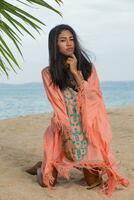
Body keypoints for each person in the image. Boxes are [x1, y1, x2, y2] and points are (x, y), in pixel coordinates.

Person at [26, 24, 130, 197]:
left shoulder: (88, 68)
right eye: (63, 40)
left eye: (71, 39)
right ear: (54, 45)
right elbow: (58, 108)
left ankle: (60, 162)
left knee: (94, 183)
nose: (69, 44)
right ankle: (44, 165)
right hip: (63, 130)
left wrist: (75, 73)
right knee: (47, 183)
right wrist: (67, 139)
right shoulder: (48, 73)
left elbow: (94, 98)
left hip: (87, 130)